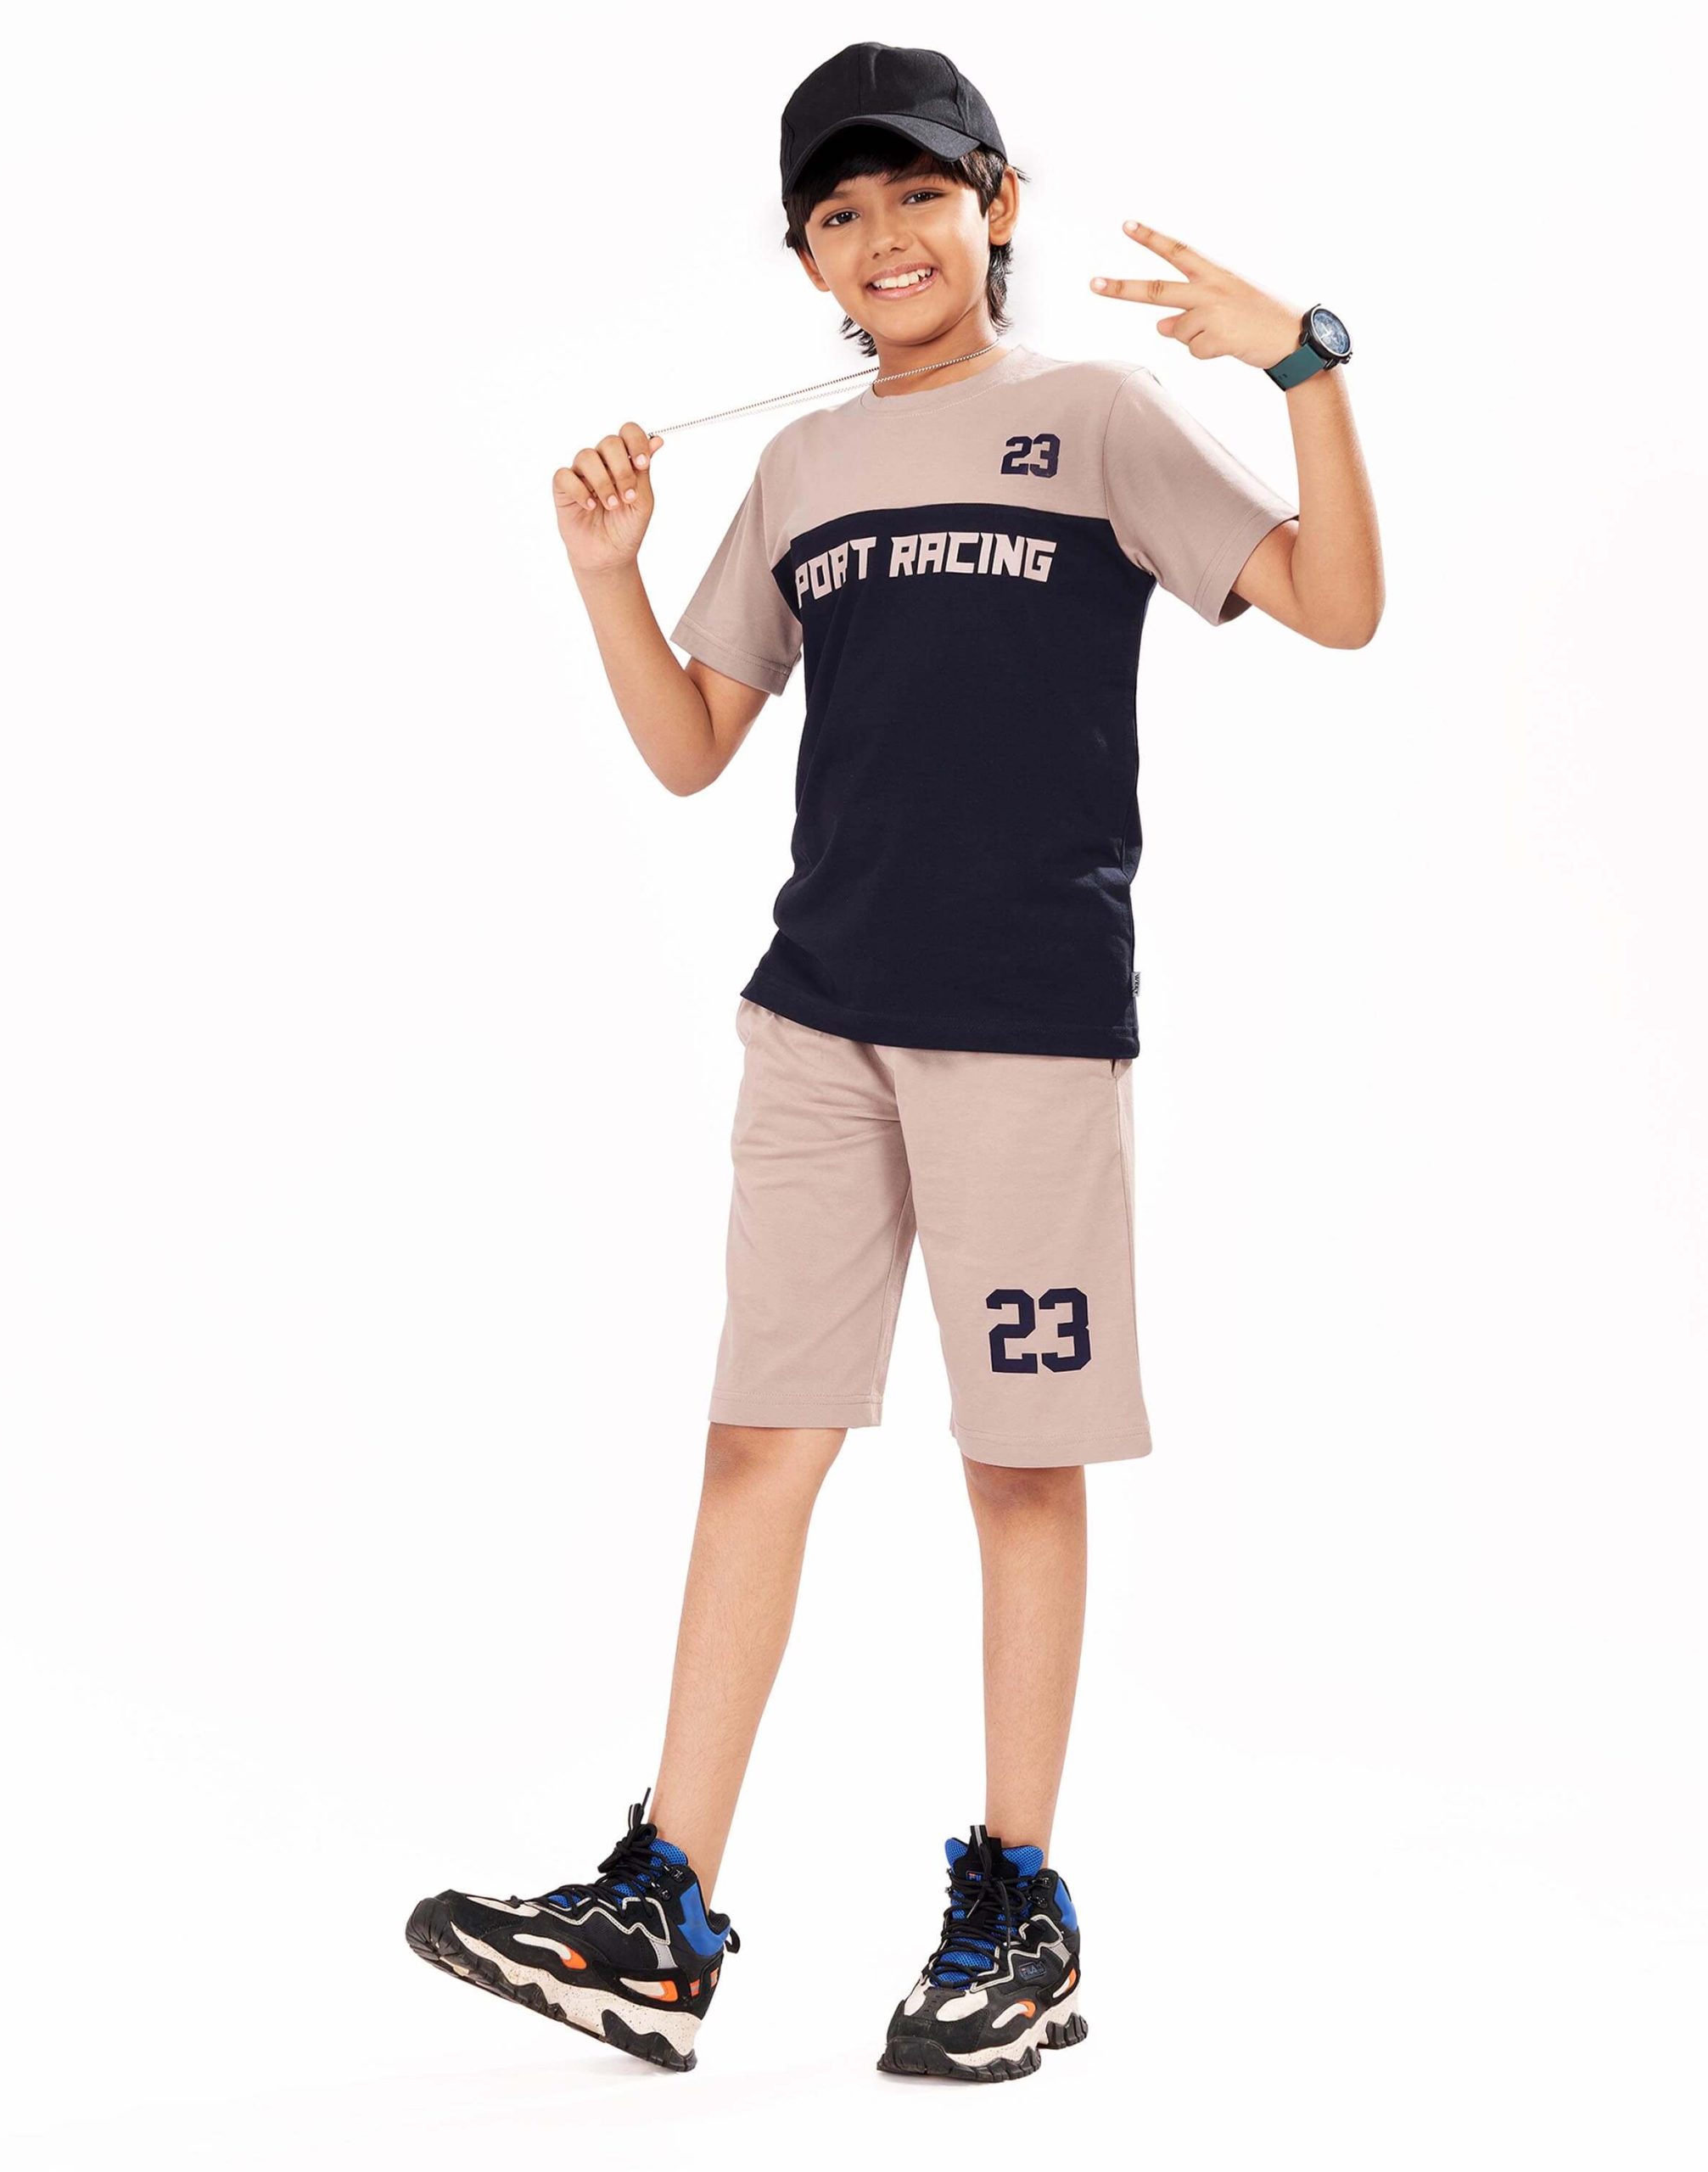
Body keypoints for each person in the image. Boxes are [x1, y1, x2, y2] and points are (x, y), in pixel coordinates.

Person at [405, 41, 1382, 2082]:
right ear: (807, 262)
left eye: (916, 194)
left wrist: (1300, 365)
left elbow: (1337, 603)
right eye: (836, 215)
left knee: (1017, 1459)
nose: (881, 238)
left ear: (994, 204)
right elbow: (692, 745)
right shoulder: (798, 470)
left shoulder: (1093, 416)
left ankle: (1017, 1904)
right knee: (756, 1436)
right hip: (815, 1021)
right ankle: (659, 1910)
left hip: (1025, 1025)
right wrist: (602, 574)